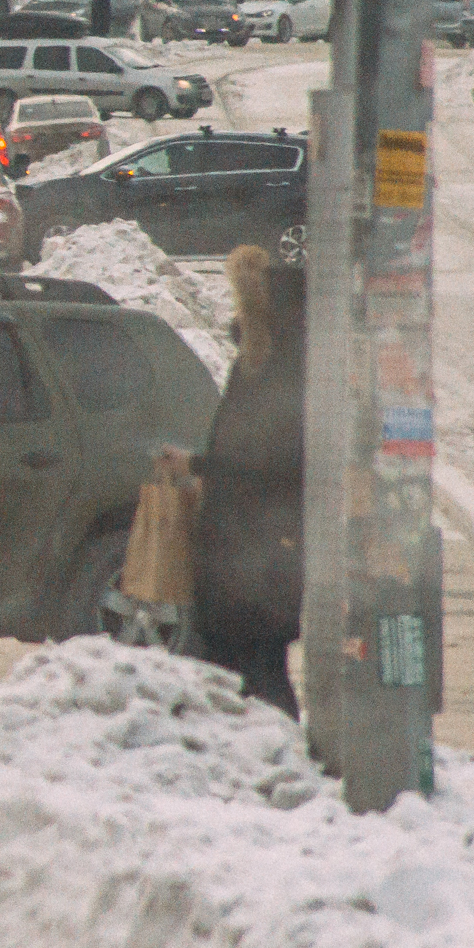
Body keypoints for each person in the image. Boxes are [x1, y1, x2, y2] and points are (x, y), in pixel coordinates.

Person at [192, 244, 306, 715]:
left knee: (250, 664)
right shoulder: (276, 358)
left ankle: (269, 756)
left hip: (253, 541)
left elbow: (260, 458)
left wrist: (199, 467)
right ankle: (267, 751)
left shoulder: (272, 367)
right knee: (258, 662)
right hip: (260, 539)